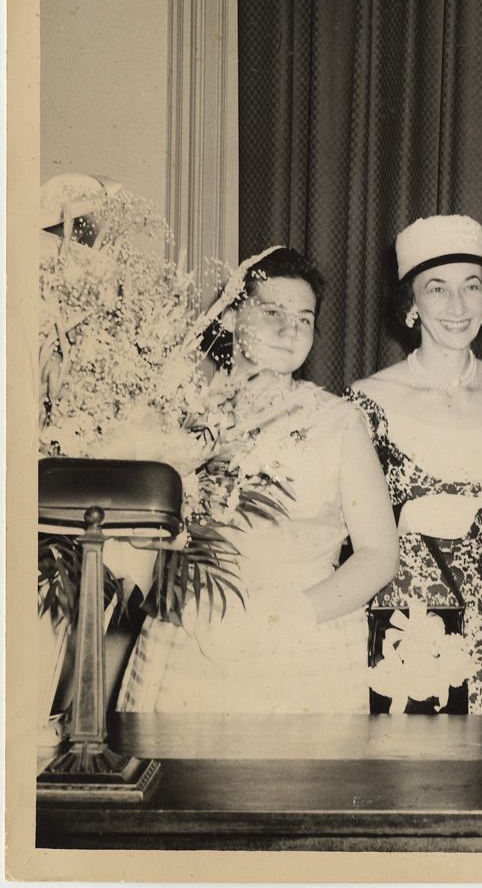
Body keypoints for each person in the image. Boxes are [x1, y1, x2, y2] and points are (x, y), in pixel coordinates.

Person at [118, 248, 399, 714]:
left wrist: (286, 616)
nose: (291, 331)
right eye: (272, 312)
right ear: (230, 316)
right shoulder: (179, 413)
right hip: (192, 639)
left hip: (302, 641)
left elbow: (379, 554)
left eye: (305, 319)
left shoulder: (340, 422)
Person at [348, 215, 482, 715]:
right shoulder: (367, 403)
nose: (457, 307)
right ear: (411, 302)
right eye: (437, 288)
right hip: (401, 628)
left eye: (471, 286)